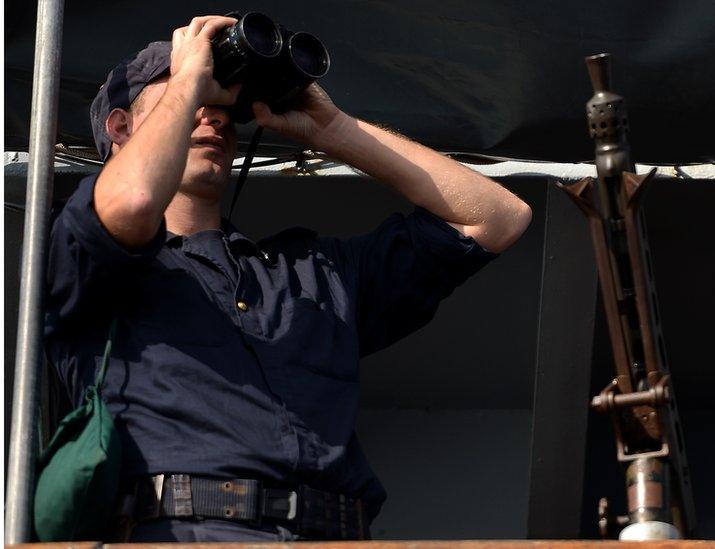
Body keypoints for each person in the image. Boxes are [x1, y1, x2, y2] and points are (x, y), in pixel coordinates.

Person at [44, 15, 531, 542]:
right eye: (194, 99)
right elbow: (134, 202)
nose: (214, 116)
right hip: (185, 531)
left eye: (225, 103)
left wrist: (335, 130)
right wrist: (188, 77)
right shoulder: (84, 254)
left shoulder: (312, 275)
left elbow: (495, 217)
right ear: (119, 129)